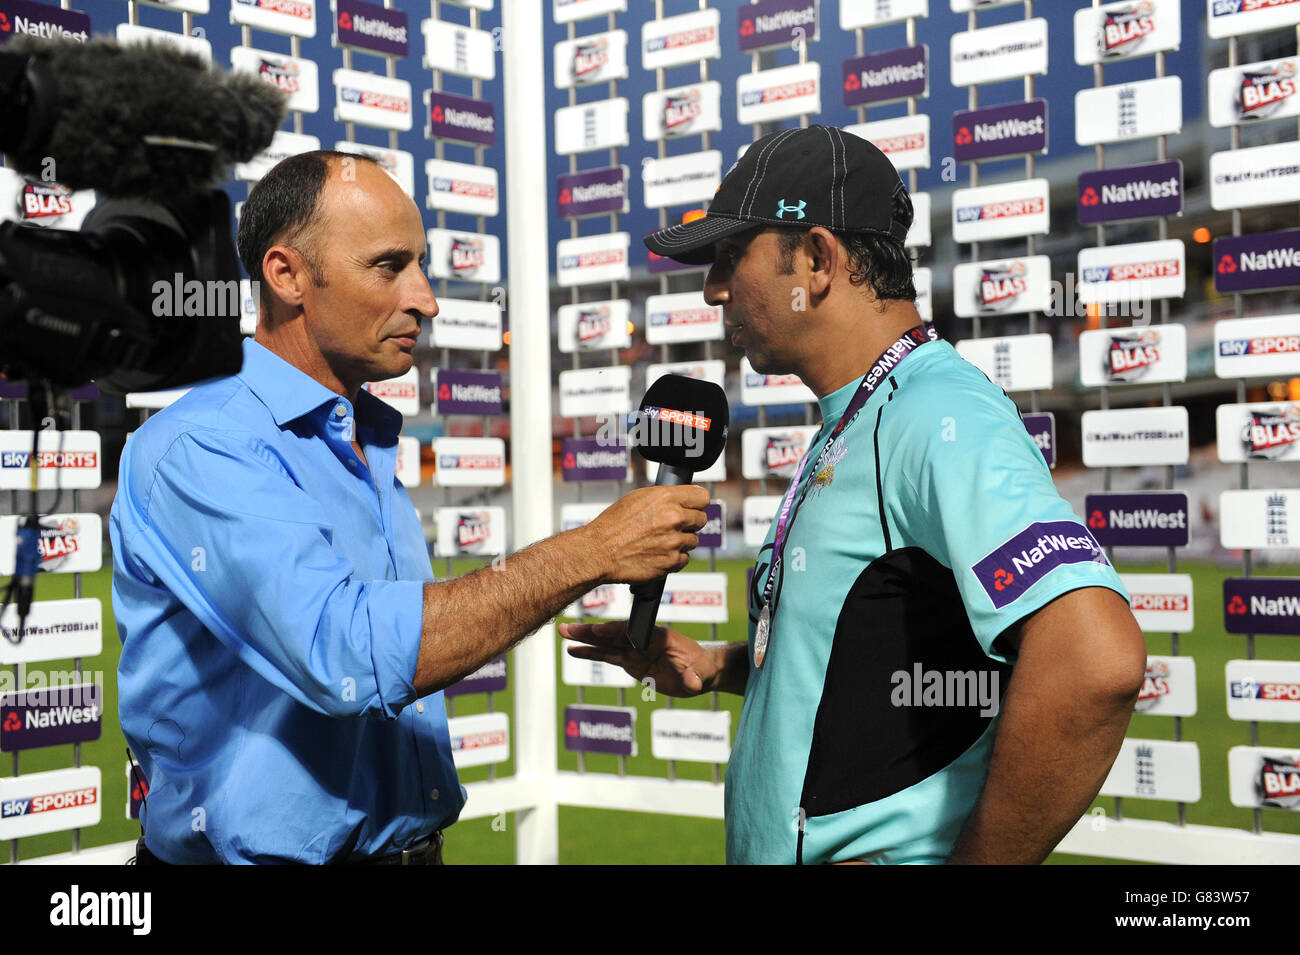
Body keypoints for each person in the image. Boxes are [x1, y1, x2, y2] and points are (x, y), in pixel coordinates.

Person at [563, 126, 1146, 865]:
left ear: (816, 257)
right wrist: (723, 665)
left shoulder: (938, 415)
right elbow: (875, 660)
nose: (712, 289)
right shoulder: (863, 414)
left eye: (728, 257)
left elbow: (1096, 660)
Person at [110, 150, 709, 864]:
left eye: (422, 265)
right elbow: (342, 652)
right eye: (390, 267)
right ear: (286, 274)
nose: (426, 298)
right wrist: (591, 550)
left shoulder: (364, 433)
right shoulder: (201, 445)